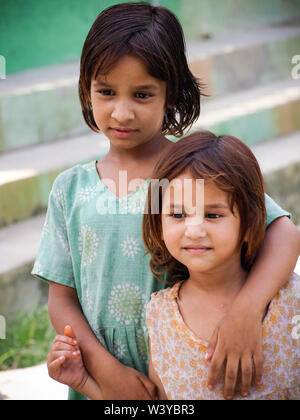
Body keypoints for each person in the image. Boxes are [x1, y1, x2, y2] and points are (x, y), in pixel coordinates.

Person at [33, 2, 300, 400]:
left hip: (193, 368)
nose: (121, 112)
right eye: (106, 91)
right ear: (87, 89)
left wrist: (244, 313)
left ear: (171, 94)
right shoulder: (70, 190)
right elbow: (62, 300)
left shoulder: (192, 171)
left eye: (142, 94)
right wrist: (107, 374)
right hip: (105, 382)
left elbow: (284, 234)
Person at [143, 131, 300, 400]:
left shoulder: (291, 299)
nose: (193, 230)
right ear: (158, 224)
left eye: (213, 214)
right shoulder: (160, 316)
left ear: (251, 225)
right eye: (177, 214)